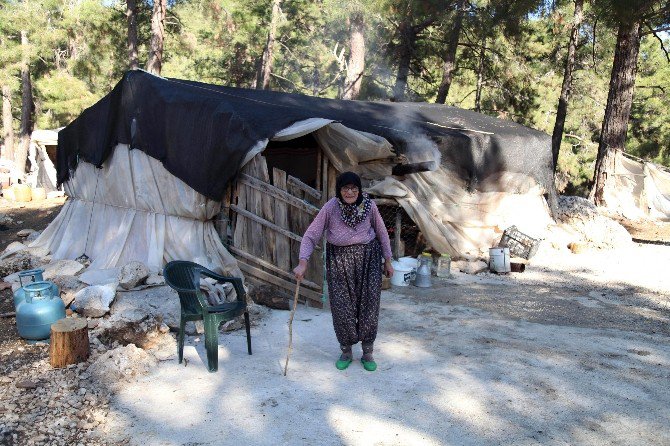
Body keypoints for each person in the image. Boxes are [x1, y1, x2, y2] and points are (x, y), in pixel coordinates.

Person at [293, 171, 394, 372]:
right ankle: (346, 350)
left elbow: (382, 233)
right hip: (339, 260)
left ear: (359, 190)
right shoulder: (330, 207)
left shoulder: (369, 206)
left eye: (354, 188)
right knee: (341, 306)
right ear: (339, 191)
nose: (350, 192)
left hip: (368, 259)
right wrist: (303, 262)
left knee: (369, 304)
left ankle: (367, 352)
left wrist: (388, 261)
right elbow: (311, 235)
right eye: (345, 188)